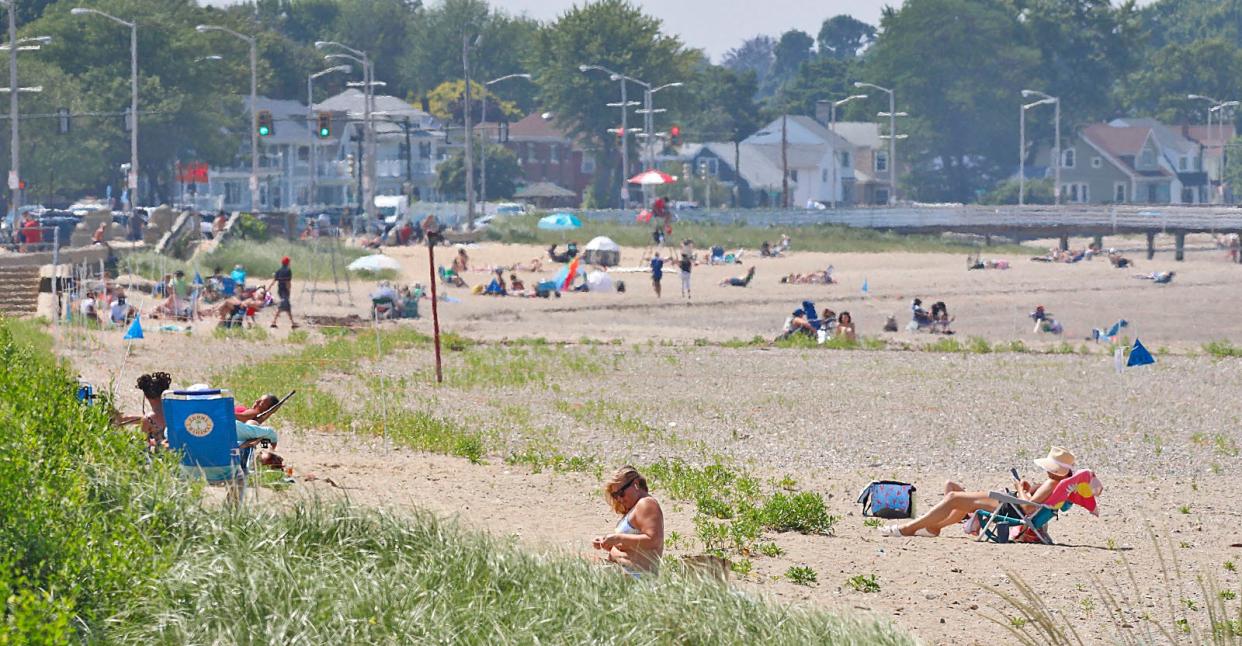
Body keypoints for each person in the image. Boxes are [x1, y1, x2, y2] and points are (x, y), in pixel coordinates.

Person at [879, 447, 1079, 538]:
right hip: (1011, 507)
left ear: (1054, 470)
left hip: (1010, 508)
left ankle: (909, 528)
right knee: (958, 499)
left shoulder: (1052, 482)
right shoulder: (1059, 485)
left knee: (953, 497)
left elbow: (1027, 507)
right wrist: (1027, 489)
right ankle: (934, 527)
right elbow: (1035, 504)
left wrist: (1019, 489)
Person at [592, 466, 664, 576]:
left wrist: (618, 539)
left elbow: (653, 540)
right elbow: (635, 547)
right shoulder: (635, 508)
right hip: (625, 573)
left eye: (621, 493)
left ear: (635, 484)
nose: (619, 499)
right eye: (615, 496)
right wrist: (608, 542)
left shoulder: (646, 504)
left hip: (637, 577)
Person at [115, 372, 173, 449]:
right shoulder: (173, 410)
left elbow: (143, 444)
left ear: (145, 396)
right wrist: (124, 419)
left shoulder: (148, 419)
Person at [268, 256, 297, 329]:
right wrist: (289, 291)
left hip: (280, 291)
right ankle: (273, 322)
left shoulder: (279, 270)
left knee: (287, 306)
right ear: (288, 263)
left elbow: (274, 281)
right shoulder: (288, 271)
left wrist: (268, 288)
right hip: (284, 291)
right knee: (283, 305)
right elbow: (288, 282)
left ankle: (292, 323)